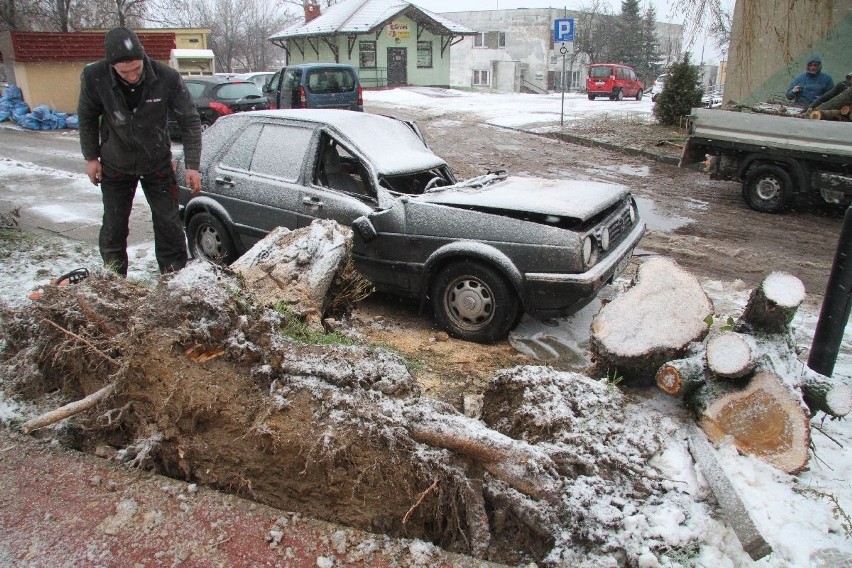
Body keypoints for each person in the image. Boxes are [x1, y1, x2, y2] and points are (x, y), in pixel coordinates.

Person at [77, 27, 202, 277]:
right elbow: (87, 117)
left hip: (157, 164)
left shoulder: (166, 77)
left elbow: (190, 120)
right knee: (114, 225)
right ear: (112, 66)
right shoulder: (95, 77)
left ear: (143, 58)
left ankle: (174, 278)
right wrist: (91, 157)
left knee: (168, 224)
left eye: (137, 68)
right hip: (115, 164)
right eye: (125, 72)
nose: (133, 76)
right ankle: (114, 279)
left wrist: (192, 165)